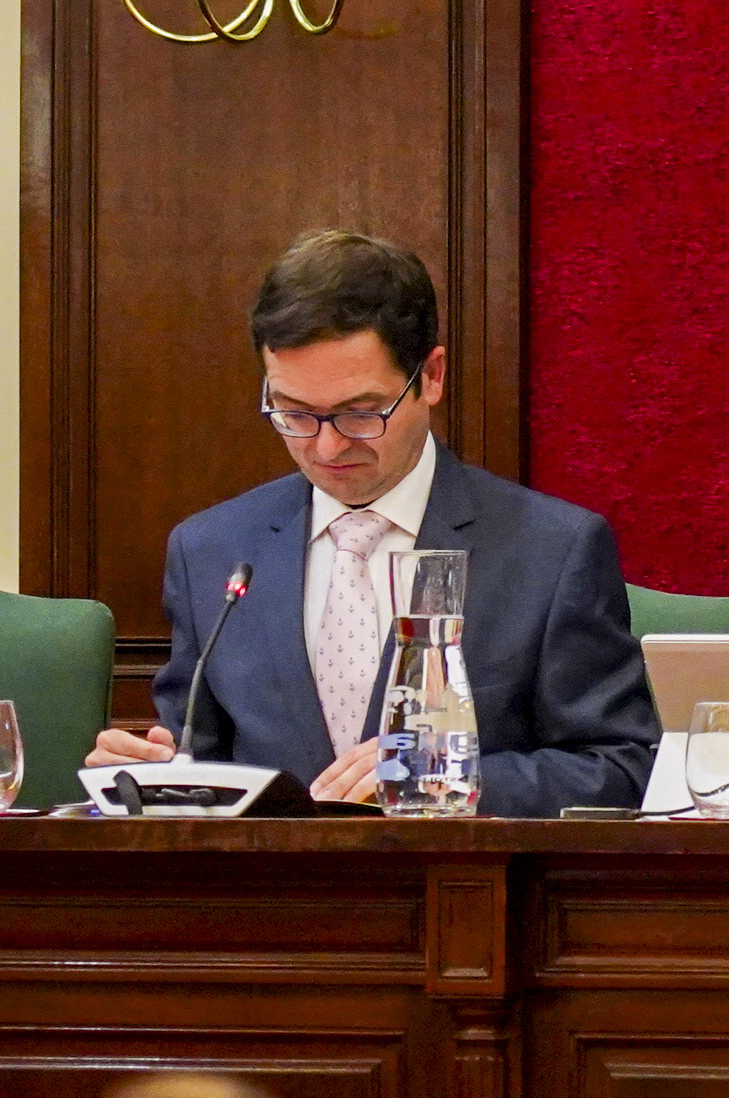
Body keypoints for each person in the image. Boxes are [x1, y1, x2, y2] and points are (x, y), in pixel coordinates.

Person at [88, 231, 658, 814]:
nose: (328, 447)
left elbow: (622, 765)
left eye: (361, 413)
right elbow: (196, 757)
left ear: (431, 376)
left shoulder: (551, 551)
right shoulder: (210, 549)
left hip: (456, 869)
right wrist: (151, 776)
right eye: (293, 413)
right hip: (266, 872)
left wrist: (451, 777)